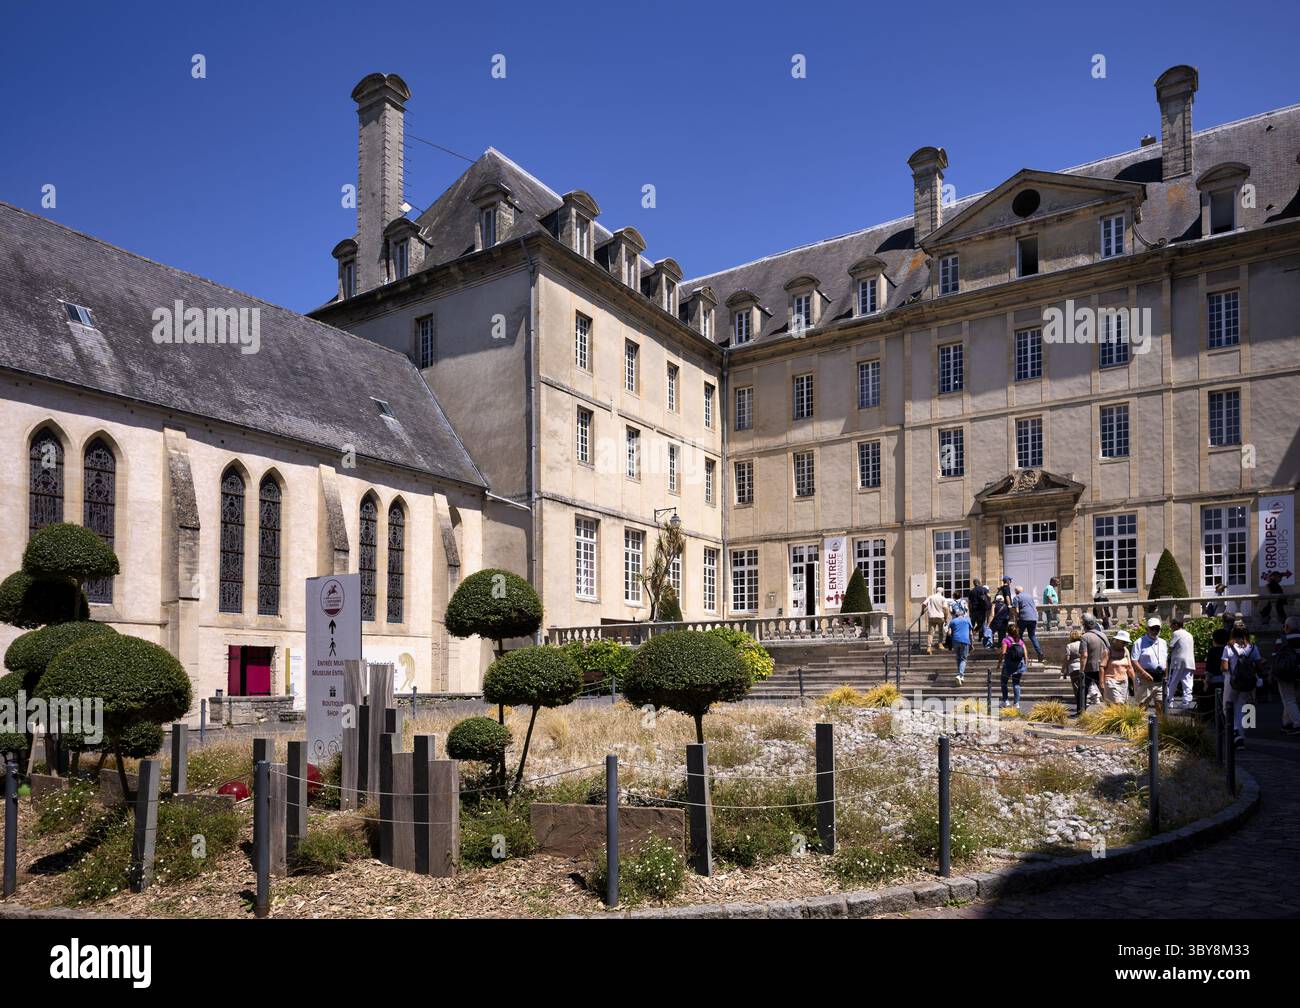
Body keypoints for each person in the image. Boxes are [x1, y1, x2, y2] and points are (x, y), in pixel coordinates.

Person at [1222, 621, 1263, 749]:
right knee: (1241, 706)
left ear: (1233, 633)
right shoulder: (1252, 647)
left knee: (1227, 706)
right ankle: (1240, 734)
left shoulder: (1228, 647)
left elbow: (1224, 667)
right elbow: (1259, 664)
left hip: (1232, 680)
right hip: (1248, 681)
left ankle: (1235, 731)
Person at [1131, 617, 1168, 710]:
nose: (1155, 631)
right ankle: (1141, 725)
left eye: (1157, 629)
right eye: (1152, 628)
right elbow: (1134, 661)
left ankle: (1160, 724)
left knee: (1160, 705)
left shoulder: (1163, 642)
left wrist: (1166, 675)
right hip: (1145, 679)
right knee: (1143, 706)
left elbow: (1165, 660)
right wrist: (1144, 673)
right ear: (1147, 629)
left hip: (1160, 679)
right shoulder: (1139, 642)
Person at [1273, 616, 1300, 736]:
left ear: (1287, 627)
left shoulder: (1282, 639)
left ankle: (1297, 723)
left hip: (1286, 672)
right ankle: (1286, 723)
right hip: (1299, 672)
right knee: (1295, 699)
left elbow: (1275, 657)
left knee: (1288, 699)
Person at [1167, 614, 1196, 710]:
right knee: (1187, 682)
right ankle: (1186, 702)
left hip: (1178, 662)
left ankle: (1169, 701)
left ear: (1175, 625)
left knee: (1173, 681)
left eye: (1171, 624)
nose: (1170, 627)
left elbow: (1171, 646)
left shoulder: (1176, 633)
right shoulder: (1189, 634)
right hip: (1190, 661)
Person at [1078, 614, 1107, 707]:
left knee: (1082, 691)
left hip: (1089, 669)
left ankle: (1080, 711)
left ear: (1084, 625)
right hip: (1102, 667)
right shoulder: (1103, 635)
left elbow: (1084, 655)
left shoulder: (1085, 637)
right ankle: (1111, 710)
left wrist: (1081, 670)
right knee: (1105, 690)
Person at [1100, 629, 1135, 705]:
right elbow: (1102, 667)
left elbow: (1129, 667)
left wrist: (1134, 681)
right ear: (1117, 640)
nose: (1125, 644)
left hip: (1124, 682)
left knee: (1122, 704)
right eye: (1123, 642)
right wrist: (1102, 683)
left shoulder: (1126, 651)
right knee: (1117, 702)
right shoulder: (1108, 651)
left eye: (1126, 643)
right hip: (1111, 681)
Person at [1012, 584, 1044, 661]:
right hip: (1033, 618)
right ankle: (1039, 652)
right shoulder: (1030, 596)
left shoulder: (1016, 597)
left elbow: (1016, 611)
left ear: (1016, 592)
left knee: (1019, 635)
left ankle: (1022, 652)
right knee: (1032, 636)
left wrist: (1016, 620)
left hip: (1023, 618)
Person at [1000, 623, 1027, 709]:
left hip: (1008, 665)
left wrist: (999, 663)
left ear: (1008, 631)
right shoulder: (1020, 641)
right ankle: (1016, 703)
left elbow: (1003, 653)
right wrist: (1025, 664)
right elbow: (1025, 654)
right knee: (1016, 684)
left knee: (1004, 682)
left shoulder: (1005, 640)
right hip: (1019, 665)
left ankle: (1006, 701)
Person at [948, 601, 972, 686]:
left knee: (958, 658)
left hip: (955, 641)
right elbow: (970, 633)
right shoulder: (967, 620)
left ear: (956, 615)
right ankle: (960, 675)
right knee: (963, 658)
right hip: (965, 641)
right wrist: (972, 644)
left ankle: (960, 675)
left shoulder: (953, 621)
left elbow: (949, 633)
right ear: (963, 614)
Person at [922, 583, 949, 655]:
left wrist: (922, 611)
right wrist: (946, 618)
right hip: (940, 617)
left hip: (931, 616)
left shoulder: (931, 597)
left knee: (930, 633)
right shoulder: (943, 598)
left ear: (936, 591)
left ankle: (929, 647)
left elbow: (924, 604)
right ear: (942, 592)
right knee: (940, 631)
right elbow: (946, 609)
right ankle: (940, 644)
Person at [966, 578, 990, 645]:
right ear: (979, 582)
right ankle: (980, 637)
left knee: (972, 624)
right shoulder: (984, 589)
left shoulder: (971, 591)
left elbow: (969, 602)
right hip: (982, 610)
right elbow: (988, 596)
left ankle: (970, 637)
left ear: (974, 583)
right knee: (981, 624)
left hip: (974, 610)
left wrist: (970, 611)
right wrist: (988, 603)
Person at [1061, 629, 1083, 695]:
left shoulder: (1069, 645)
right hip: (1083, 666)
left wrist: (1064, 669)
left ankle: (1078, 699)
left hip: (1073, 667)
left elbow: (1067, 658)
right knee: (1083, 684)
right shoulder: (1083, 644)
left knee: (1075, 684)